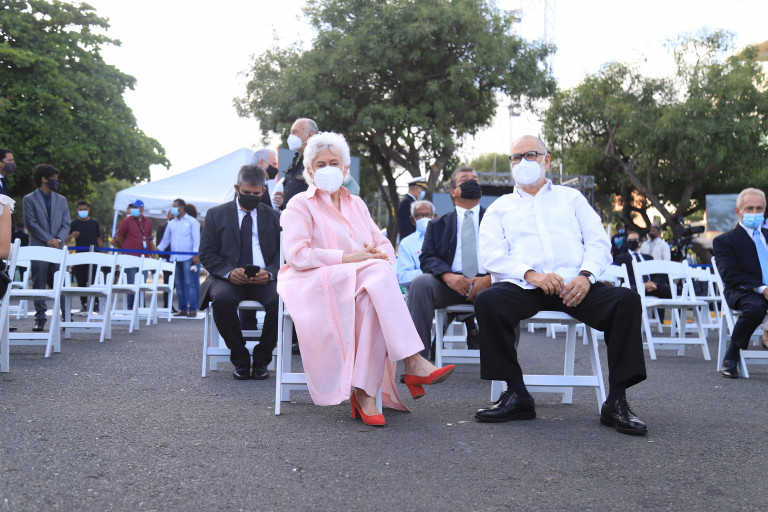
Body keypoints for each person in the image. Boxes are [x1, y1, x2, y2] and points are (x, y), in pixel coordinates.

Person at [472, 135, 648, 435]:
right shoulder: (499, 207)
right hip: (525, 286)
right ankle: (516, 394)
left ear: (547, 159)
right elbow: (490, 255)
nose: (523, 162)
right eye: (516, 157)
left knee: (626, 301)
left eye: (530, 154)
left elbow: (598, 243)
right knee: (488, 301)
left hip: (574, 285)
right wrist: (531, 274)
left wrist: (586, 276)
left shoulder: (572, 198)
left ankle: (616, 400)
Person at [277, 131, 454, 427]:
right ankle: (411, 361)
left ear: (345, 168)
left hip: (359, 283)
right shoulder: (299, 204)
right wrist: (348, 258)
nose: (328, 168)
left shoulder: (356, 204)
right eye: (321, 164)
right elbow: (297, 255)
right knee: (376, 274)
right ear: (309, 170)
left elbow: (382, 243)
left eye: (334, 163)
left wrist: (378, 254)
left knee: (373, 292)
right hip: (313, 281)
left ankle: (365, 392)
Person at [198, 165, 281, 381]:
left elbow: (283, 253)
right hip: (228, 280)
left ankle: (262, 360)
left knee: (281, 300)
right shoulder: (216, 214)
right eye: (246, 192)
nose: (250, 197)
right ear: (236, 188)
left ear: (263, 191)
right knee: (222, 300)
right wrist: (228, 272)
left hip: (264, 279)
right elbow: (206, 253)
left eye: (256, 193)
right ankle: (240, 359)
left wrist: (270, 273)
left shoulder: (274, 216)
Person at [406, 167, 491, 354]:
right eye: (465, 180)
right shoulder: (437, 225)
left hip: (488, 284)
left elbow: (511, 255)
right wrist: (448, 276)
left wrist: (490, 279)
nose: (472, 182)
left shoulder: (496, 220)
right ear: (453, 191)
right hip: (449, 285)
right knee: (420, 284)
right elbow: (427, 257)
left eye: (475, 180)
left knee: (508, 287)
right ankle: (418, 360)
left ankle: (504, 365)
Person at [712, 188, 768, 377]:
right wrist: (763, 289)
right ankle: (732, 354)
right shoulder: (725, 241)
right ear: (739, 211)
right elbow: (730, 274)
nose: (755, 213)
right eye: (749, 208)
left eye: (759, 208)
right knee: (756, 307)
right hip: (744, 290)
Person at [22, 164, 71, 332]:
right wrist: (49, 239)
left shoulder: (62, 199)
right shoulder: (29, 199)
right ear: (44, 179)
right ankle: (40, 318)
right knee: (39, 282)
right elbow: (31, 223)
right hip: (38, 246)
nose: (56, 181)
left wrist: (59, 239)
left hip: (58, 246)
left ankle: (66, 317)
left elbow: (66, 223)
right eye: (54, 178)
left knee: (62, 281)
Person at [276, 117, 360, 210]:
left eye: (295, 132)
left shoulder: (322, 159)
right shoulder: (296, 161)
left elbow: (351, 186)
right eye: (291, 132)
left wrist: (339, 211)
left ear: (310, 134)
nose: (291, 136)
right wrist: (285, 200)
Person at [157, 198, 201, 318]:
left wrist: (196, 254)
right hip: (175, 258)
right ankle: (183, 309)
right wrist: (157, 250)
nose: (173, 209)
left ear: (182, 208)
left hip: (188, 257)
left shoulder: (192, 222)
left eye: (175, 207)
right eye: (172, 207)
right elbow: (165, 241)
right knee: (179, 285)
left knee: (189, 283)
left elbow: (196, 240)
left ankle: (193, 309)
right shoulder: (171, 223)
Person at [113, 199, 155, 309]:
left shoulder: (148, 222)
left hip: (144, 257)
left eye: (136, 207)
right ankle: (131, 307)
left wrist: (153, 252)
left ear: (142, 208)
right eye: (133, 207)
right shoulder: (126, 221)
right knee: (131, 283)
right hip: (129, 257)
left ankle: (141, 306)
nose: (134, 209)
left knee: (142, 283)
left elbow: (149, 238)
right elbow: (119, 237)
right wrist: (125, 247)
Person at [65, 200, 104, 313]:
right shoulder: (74, 223)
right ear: (77, 210)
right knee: (81, 281)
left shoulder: (94, 223)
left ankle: (95, 303)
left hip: (94, 255)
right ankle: (84, 303)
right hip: (79, 256)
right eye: (81, 210)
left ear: (88, 210)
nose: (83, 211)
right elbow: (66, 240)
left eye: (85, 209)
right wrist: (72, 235)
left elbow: (98, 238)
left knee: (94, 280)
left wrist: (103, 254)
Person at [395, 200, 436, 292]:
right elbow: (403, 277)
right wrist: (431, 271)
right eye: (419, 215)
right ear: (412, 220)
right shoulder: (406, 243)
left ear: (434, 217)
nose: (424, 218)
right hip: (418, 293)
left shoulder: (443, 238)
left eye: (427, 215)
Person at [397, 176, 428, 241]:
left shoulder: (411, 201)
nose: (423, 192)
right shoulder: (407, 202)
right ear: (416, 189)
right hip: (409, 240)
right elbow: (408, 225)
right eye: (422, 189)